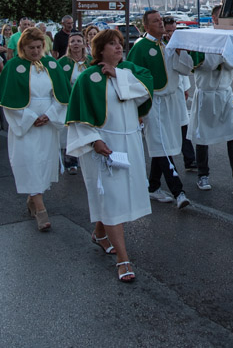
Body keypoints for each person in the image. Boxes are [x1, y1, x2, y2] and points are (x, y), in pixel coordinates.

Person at [66, 29, 154, 282]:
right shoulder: (87, 78)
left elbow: (146, 91)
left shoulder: (127, 72)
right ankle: (123, 260)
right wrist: (94, 141)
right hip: (105, 144)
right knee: (112, 198)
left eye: (120, 44)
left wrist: (118, 75)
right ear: (100, 50)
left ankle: (100, 234)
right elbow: (79, 116)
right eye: (112, 44)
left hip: (130, 142)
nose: (119, 47)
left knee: (120, 196)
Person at [0, 28, 70, 231]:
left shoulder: (51, 64)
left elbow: (61, 96)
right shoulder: (13, 66)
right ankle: (41, 210)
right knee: (29, 161)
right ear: (22, 47)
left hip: (47, 121)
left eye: (38, 47)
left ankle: (34, 199)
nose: (35, 51)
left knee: (43, 163)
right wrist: (29, 118)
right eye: (30, 48)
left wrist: (50, 115)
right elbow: (9, 101)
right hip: (25, 123)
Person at [127, 10, 193, 209]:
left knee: (163, 144)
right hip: (153, 102)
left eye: (161, 20)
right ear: (146, 27)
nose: (161, 24)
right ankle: (178, 191)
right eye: (155, 21)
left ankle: (153, 186)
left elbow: (184, 70)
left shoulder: (169, 45)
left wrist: (182, 52)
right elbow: (132, 77)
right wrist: (138, 108)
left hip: (171, 101)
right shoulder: (140, 48)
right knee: (160, 143)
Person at [187, 5, 233, 192]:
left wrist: (223, 56)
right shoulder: (203, 38)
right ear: (214, 19)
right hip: (206, 93)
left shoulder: (231, 39)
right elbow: (203, 64)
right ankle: (203, 174)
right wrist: (223, 57)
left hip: (224, 93)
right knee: (203, 137)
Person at [163, 17, 196, 170]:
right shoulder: (159, 47)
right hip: (162, 97)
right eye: (169, 31)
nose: (171, 34)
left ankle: (190, 159)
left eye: (174, 31)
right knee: (166, 132)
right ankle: (169, 164)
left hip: (177, 91)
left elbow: (185, 69)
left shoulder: (178, 45)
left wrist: (185, 88)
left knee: (184, 126)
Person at [57, 31, 91, 174]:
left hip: (87, 101)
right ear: (69, 45)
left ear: (84, 44)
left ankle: (86, 159)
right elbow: (58, 83)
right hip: (69, 102)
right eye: (73, 42)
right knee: (69, 131)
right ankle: (70, 161)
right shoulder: (63, 62)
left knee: (86, 130)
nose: (76, 44)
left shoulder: (90, 60)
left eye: (78, 41)